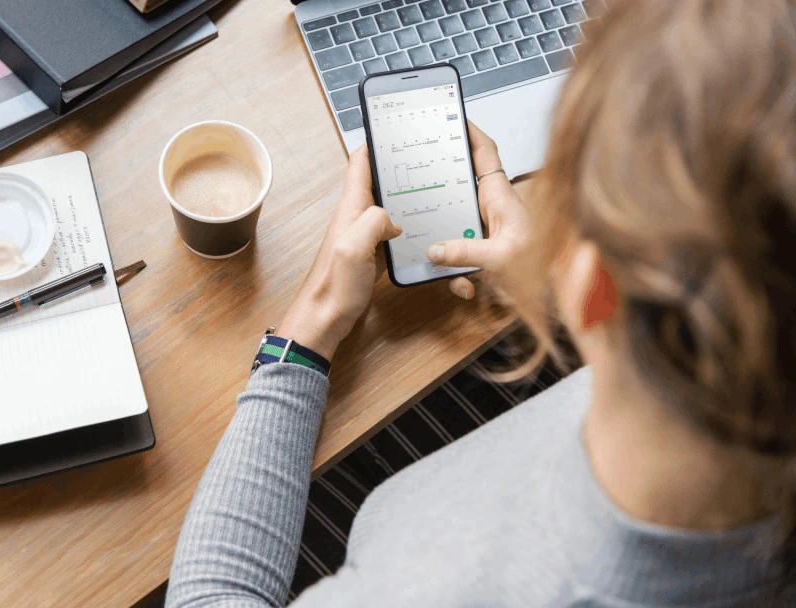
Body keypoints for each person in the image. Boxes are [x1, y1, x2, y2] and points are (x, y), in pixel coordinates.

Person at [166, 0, 796, 605]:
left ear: (597, 279)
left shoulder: (444, 586)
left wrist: (312, 323)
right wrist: (551, 285)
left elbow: (207, 598)